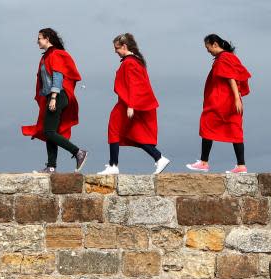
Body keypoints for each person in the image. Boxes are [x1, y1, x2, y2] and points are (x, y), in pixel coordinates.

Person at [21, 28, 89, 174]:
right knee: (50, 132)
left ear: (47, 39)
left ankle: (78, 152)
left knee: (49, 132)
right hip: (52, 97)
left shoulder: (55, 54)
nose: (37, 41)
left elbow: (58, 76)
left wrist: (53, 97)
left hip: (57, 96)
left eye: (39, 38)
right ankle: (51, 167)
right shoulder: (46, 56)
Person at [100, 34, 169, 175]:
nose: (115, 51)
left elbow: (134, 84)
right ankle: (158, 158)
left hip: (127, 103)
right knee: (134, 133)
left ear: (125, 47)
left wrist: (131, 105)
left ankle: (114, 165)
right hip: (128, 102)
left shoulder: (130, 62)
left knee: (114, 129)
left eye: (116, 48)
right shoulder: (135, 61)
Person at [186, 34, 251, 174]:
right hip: (228, 100)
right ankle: (241, 166)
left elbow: (231, 77)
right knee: (235, 129)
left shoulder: (224, 57)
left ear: (215, 44)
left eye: (208, 47)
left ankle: (204, 162)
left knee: (207, 123)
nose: (207, 50)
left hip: (222, 100)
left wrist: (236, 98)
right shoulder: (229, 56)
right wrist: (238, 97)